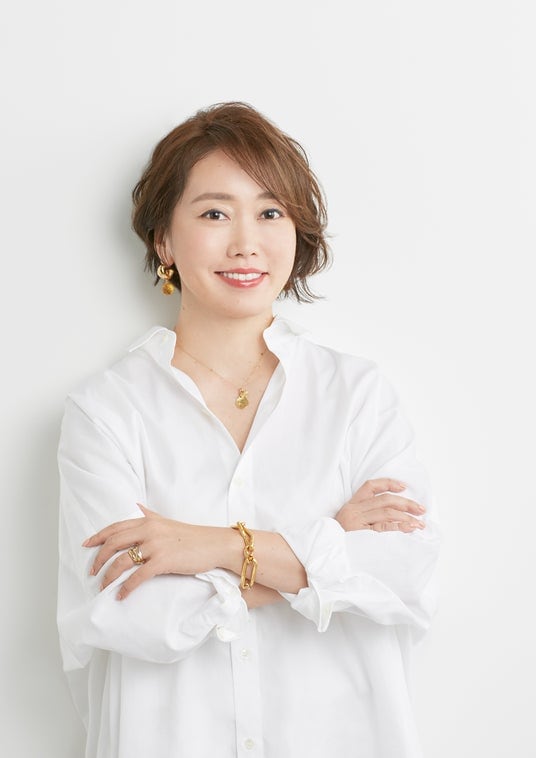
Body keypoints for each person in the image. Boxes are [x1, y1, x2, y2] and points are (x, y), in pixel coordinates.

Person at [57, 102, 440, 758]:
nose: (245, 243)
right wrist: (326, 551)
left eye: (270, 212)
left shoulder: (356, 394)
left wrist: (205, 546)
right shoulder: (107, 410)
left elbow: (404, 574)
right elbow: (129, 610)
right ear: (163, 240)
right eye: (214, 213)